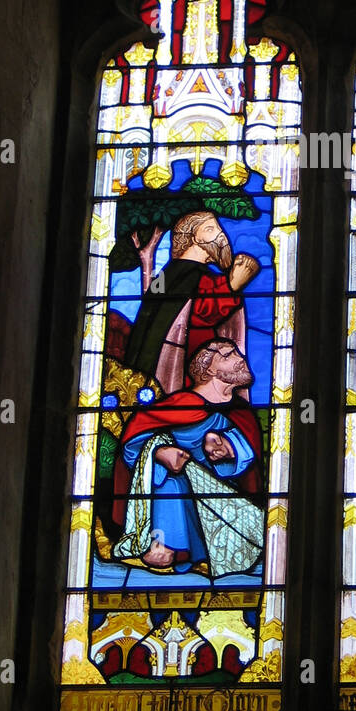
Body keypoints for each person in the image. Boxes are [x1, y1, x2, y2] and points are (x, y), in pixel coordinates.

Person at [111, 341, 265, 578]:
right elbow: (132, 445)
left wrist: (231, 448)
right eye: (229, 355)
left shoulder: (240, 412)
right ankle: (165, 543)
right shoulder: (179, 405)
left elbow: (249, 459)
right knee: (171, 480)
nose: (241, 357)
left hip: (221, 499)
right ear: (210, 370)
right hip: (176, 494)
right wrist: (160, 452)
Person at [122, 210, 260, 395]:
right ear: (195, 237)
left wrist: (229, 285)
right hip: (182, 365)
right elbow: (202, 314)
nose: (221, 235)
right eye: (211, 229)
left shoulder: (173, 275)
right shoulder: (185, 276)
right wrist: (232, 286)